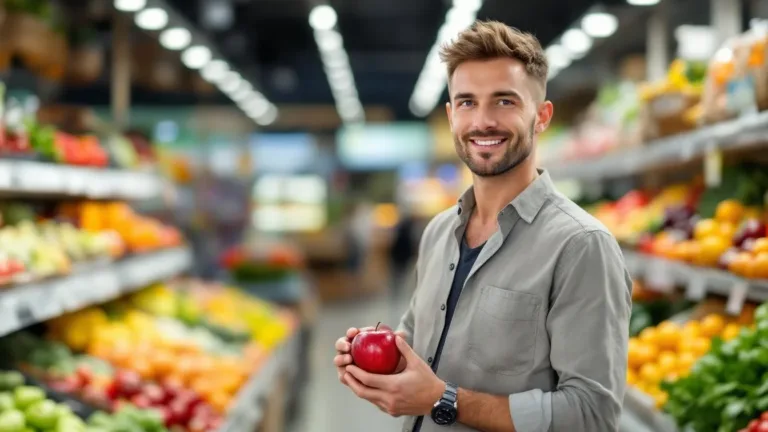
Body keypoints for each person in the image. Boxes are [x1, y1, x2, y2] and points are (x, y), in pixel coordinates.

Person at [333, 20, 632, 432]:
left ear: (541, 116)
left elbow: (592, 414)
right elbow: (417, 346)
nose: (483, 121)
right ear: (451, 115)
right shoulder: (438, 233)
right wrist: (375, 361)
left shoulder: (581, 246)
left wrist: (443, 399)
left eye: (505, 101)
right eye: (467, 103)